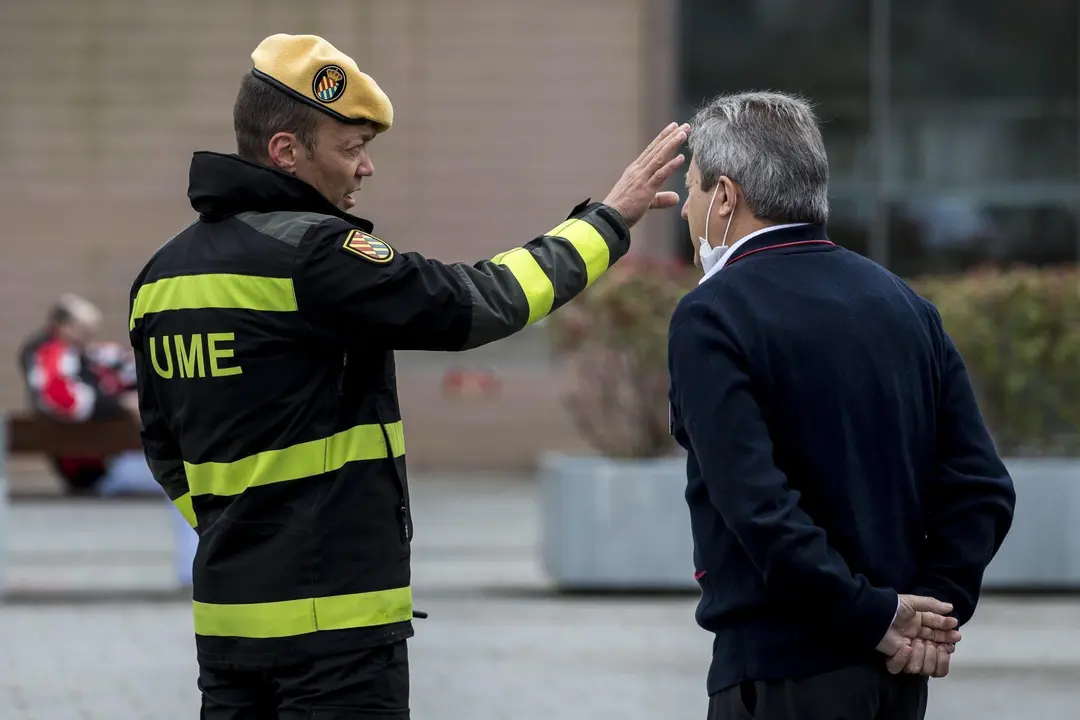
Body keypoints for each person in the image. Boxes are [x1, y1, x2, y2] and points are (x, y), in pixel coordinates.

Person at [127, 32, 687, 719]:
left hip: (227, 629)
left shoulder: (160, 277)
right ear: (286, 152)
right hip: (336, 637)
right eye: (351, 147)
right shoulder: (318, 255)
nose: (366, 168)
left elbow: (163, 448)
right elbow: (480, 303)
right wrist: (607, 223)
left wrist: (243, 532)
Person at [666, 91, 1016, 720]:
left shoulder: (712, 314)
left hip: (782, 671)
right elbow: (981, 487)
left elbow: (757, 505)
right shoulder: (904, 304)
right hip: (896, 679)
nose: (686, 208)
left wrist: (875, 617)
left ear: (725, 197)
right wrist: (931, 612)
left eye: (691, 188)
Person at [18, 293, 199, 587]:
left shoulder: (87, 355)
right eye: (83, 328)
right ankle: (194, 571)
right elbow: (65, 399)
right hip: (99, 469)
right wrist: (120, 404)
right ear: (62, 326)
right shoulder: (52, 354)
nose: (89, 335)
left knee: (190, 471)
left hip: (109, 462)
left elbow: (131, 367)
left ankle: (195, 568)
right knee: (188, 475)